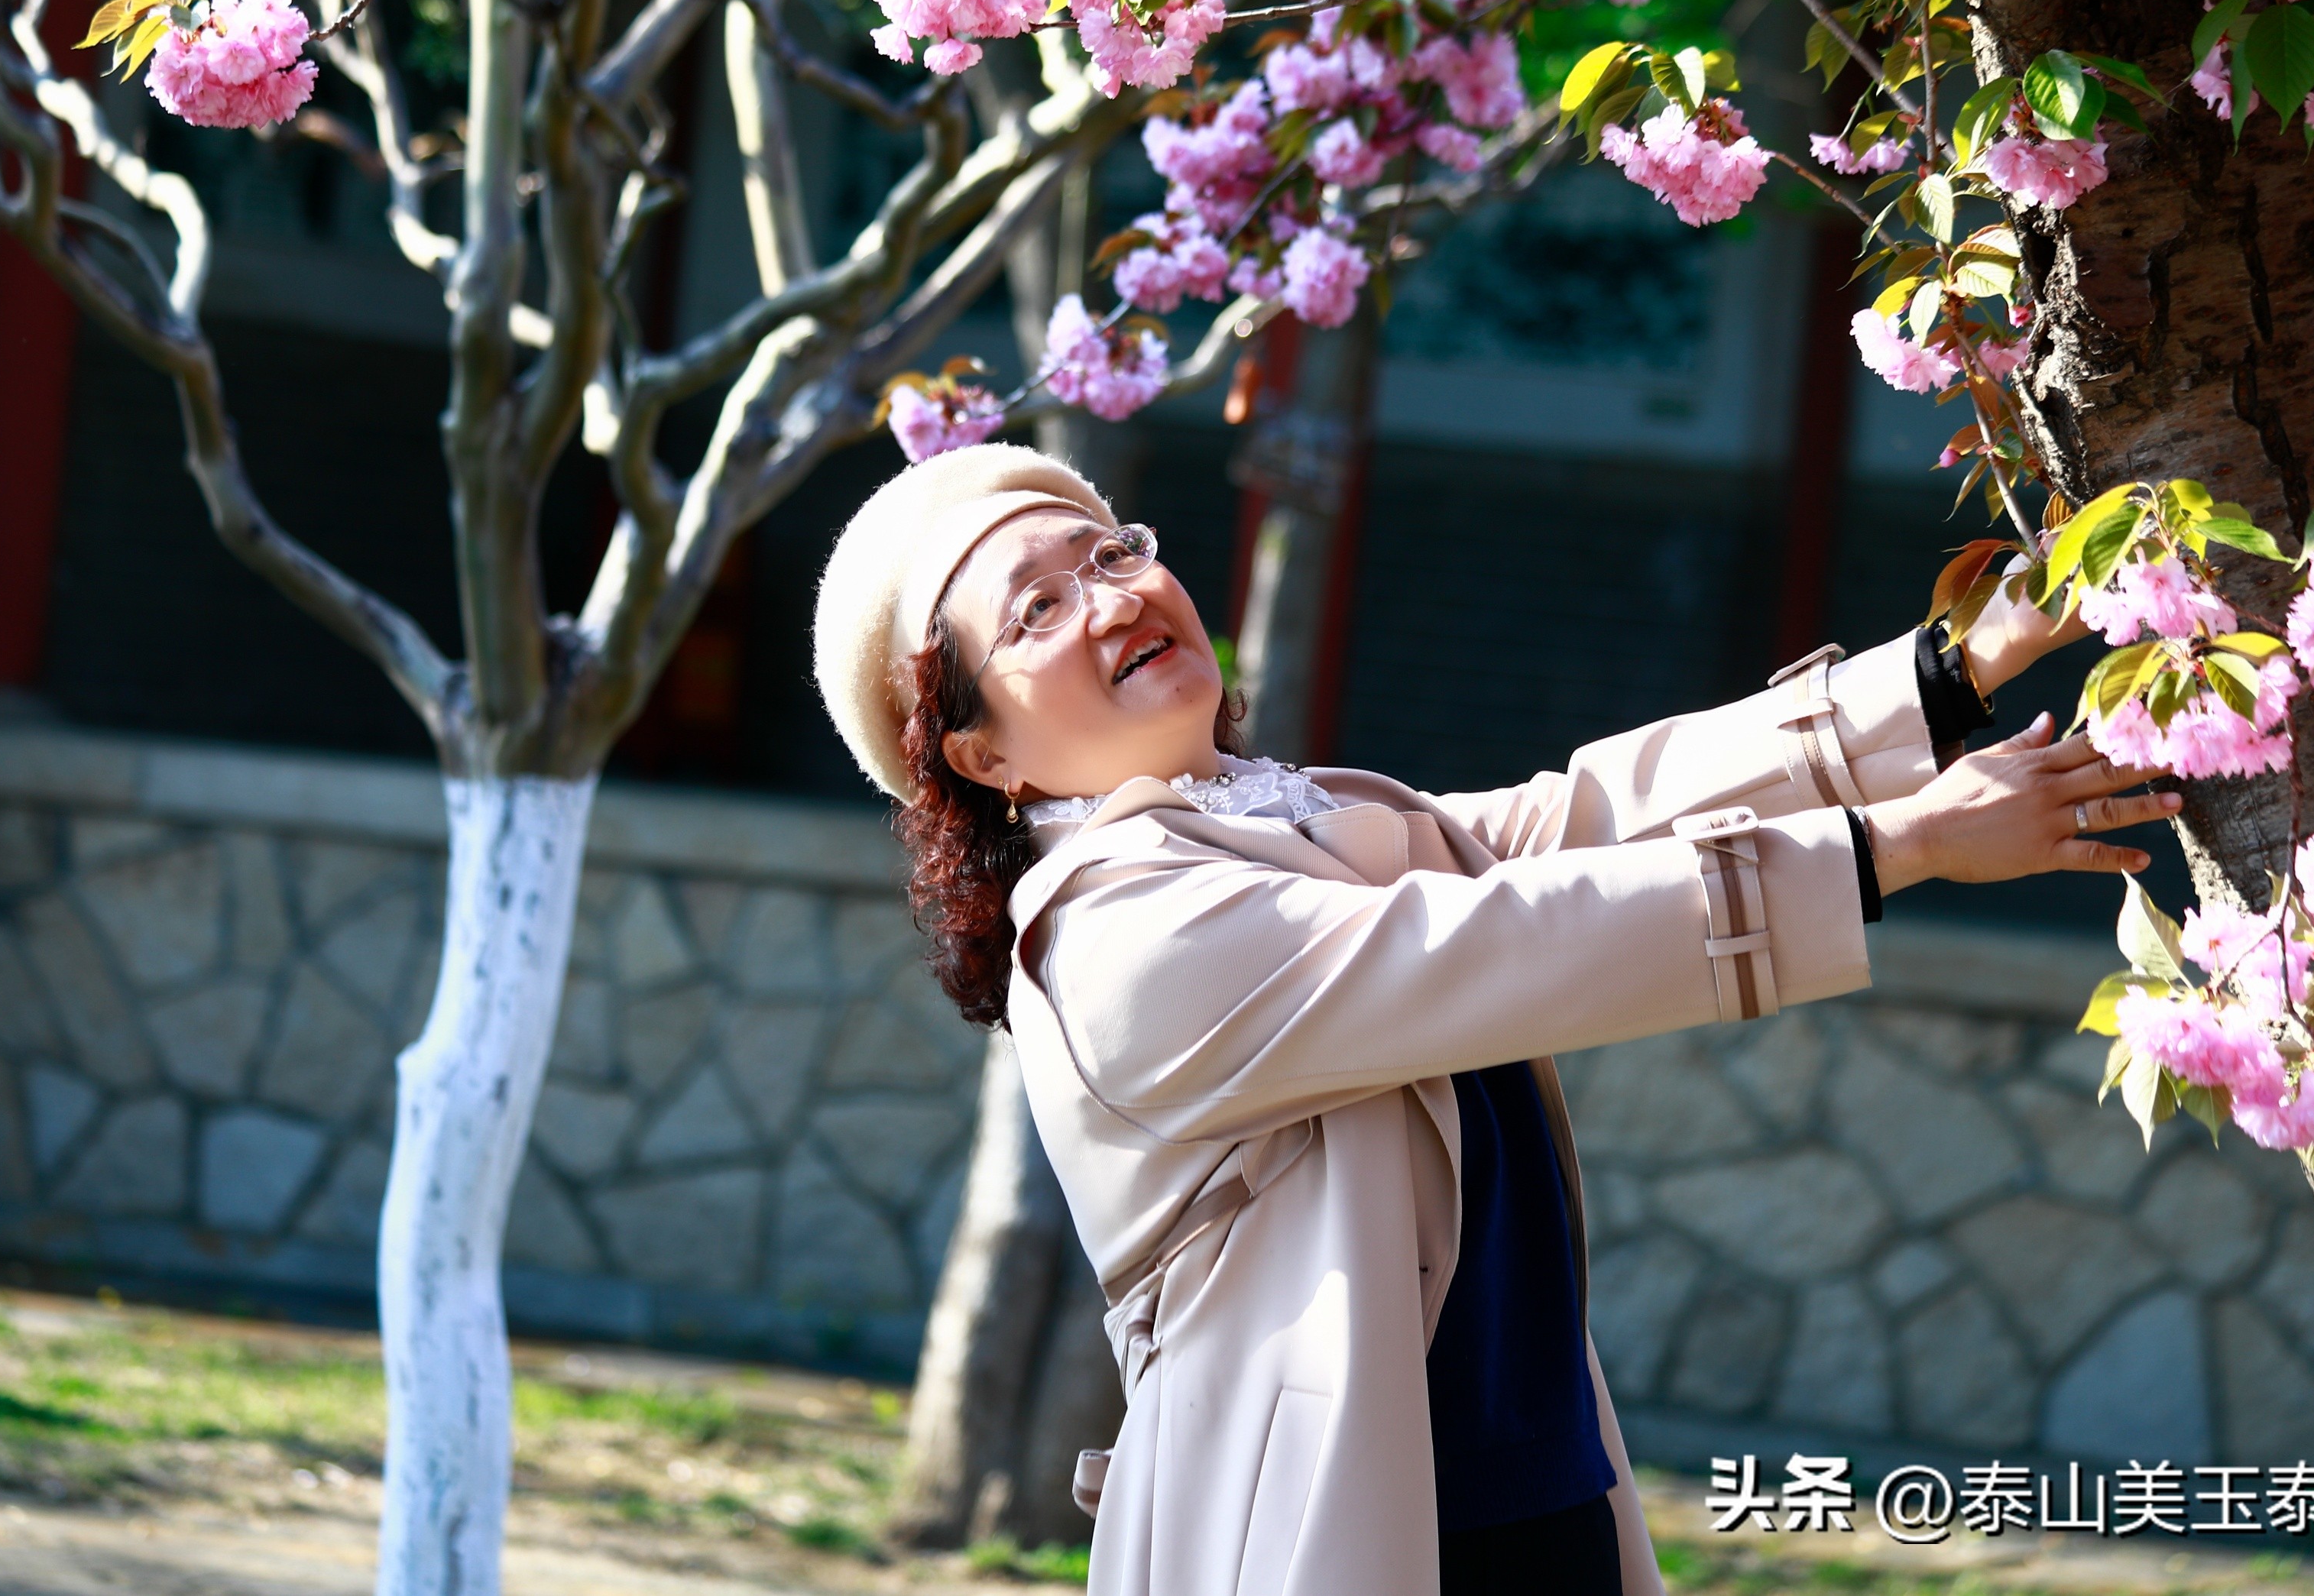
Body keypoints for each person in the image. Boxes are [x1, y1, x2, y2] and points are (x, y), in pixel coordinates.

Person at [812, 445, 2176, 1596]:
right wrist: (1896, 847)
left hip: (1520, 1482)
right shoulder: (1110, 931)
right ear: (980, 755)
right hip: (1319, 1530)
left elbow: (1582, 816)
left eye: (1109, 554)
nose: (1108, 600)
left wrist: (1955, 666)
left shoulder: (1305, 816)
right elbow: (1488, 943)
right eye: (1034, 611)